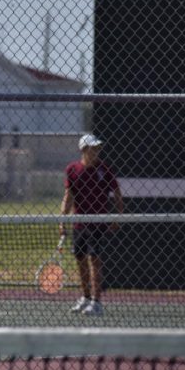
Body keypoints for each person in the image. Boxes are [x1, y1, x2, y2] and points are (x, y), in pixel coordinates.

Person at [59, 133, 124, 316]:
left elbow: (117, 193)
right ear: (83, 150)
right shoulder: (72, 170)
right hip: (79, 223)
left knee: (95, 260)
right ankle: (86, 298)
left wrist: (118, 216)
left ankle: (97, 303)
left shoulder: (105, 169)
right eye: (92, 148)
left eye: (97, 148)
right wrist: (62, 220)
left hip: (97, 222)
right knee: (80, 261)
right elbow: (68, 197)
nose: (96, 151)